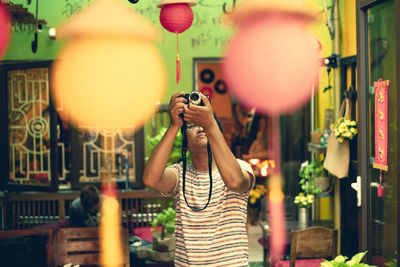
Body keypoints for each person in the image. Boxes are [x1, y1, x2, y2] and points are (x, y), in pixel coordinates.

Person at [143, 92, 255, 266]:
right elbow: (151, 179)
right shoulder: (179, 174)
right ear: (185, 139)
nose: (201, 128)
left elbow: (234, 181)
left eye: (204, 124)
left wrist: (209, 123)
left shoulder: (241, 167)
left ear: (215, 131)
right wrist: (174, 125)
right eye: (192, 125)